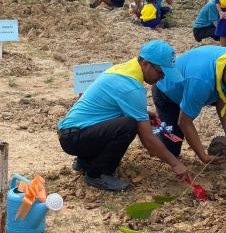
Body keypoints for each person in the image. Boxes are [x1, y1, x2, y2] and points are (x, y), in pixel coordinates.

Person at [57, 40, 189, 191]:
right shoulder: (131, 87)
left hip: (73, 133)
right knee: (128, 125)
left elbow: (110, 105)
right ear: (146, 64)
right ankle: (98, 174)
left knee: (129, 121)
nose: (162, 78)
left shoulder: (122, 70)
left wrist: (143, 114)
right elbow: (148, 139)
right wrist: (175, 163)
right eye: (161, 72)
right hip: (74, 138)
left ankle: (85, 162)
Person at [152, 46, 226, 161]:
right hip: (168, 94)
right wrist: (203, 156)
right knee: (170, 150)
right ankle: (153, 128)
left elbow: (224, 99)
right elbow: (184, 122)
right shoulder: (201, 82)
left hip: (201, 84)